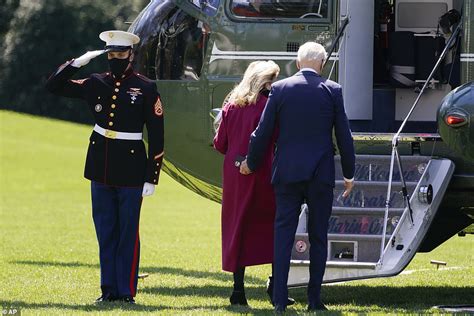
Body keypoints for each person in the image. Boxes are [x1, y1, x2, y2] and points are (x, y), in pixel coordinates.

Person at [46, 30, 164, 304]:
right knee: (106, 230)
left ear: (130, 55)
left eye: (120, 54)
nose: (115, 59)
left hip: (132, 168)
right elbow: (53, 87)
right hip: (101, 166)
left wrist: (152, 177)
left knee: (127, 233)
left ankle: (126, 293)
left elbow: (157, 134)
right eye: (110, 55)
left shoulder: (146, 87)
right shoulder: (96, 82)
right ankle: (108, 290)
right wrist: (76, 63)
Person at [240, 42, 355, 312]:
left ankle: (279, 299)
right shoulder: (333, 90)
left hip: (287, 173)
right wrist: (349, 173)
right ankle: (314, 299)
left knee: (282, 236)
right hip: (320, 175)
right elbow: (344, 136)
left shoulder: (280, 89)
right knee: (318, 236)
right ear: (322, 64)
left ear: (298, 62)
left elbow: (263, 132)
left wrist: (251, 163)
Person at [214, 60, 294, 307]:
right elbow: (280, 138)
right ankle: (275, 287)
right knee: (273, 229)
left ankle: (238, 291)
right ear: (266, 82)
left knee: (238, 226)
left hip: (235, 175)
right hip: (264, 172)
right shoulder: (270, 106)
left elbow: (220, 144)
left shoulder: (230, 106)